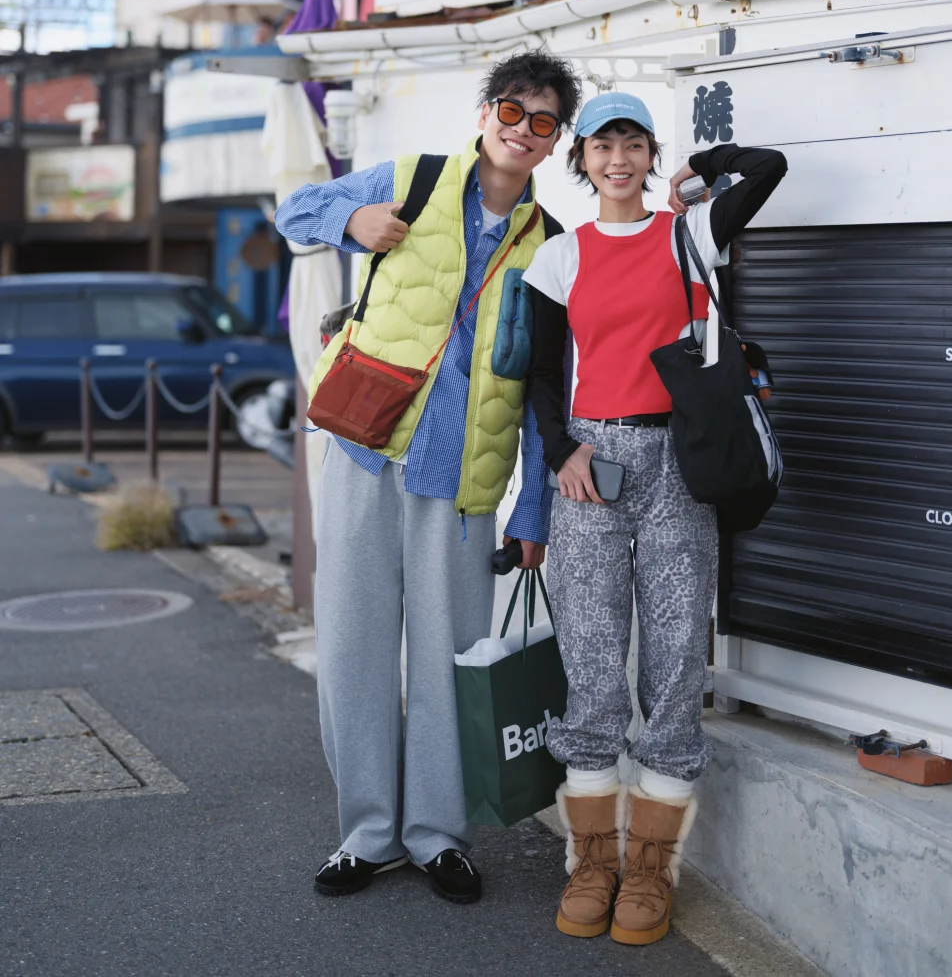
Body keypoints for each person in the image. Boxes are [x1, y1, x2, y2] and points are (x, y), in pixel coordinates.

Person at [274, 50, 581, 905]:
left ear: (555, 143)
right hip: (366, 446)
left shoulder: (550, 245)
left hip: (464, 477)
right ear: (485, 113)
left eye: (543, 121)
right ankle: (367, 835)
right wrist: (352, 225)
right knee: (355, 645)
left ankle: (436, 834)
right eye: (511, 112)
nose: (523, 130)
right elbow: (294, 210)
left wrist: (536, 507)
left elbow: (541, 388)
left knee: (452, 661)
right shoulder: (410, 178)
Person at [524, 91, 787, 946]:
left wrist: (700, 173)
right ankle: (591, 861)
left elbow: (770, 169)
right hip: (590, 465)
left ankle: (649, 870)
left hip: (680, 455)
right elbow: (538, 372)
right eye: (603, 146)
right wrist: (560, 449)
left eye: (634, 144)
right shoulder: (559, 257)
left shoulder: (690, 234)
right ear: (583, 160)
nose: (619, 160)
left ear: (648, 155)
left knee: (674, 658)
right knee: (592, 657)